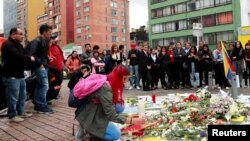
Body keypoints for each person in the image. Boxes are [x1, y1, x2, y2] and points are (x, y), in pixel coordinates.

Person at [74, 65, 146, 140]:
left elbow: (112, 102)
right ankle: (88, 130)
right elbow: (111, 114)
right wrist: (132, 121)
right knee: (115, 135)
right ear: (118, 76)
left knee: (119, 106)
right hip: (90, 114)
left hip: (97, 108)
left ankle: (91, 127)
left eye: (127, 79)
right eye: (124, 78)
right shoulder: (106, 88)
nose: (125, 81)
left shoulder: (111, 79)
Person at [1, 27, 35, 122]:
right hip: (11, 75)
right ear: (13, 34)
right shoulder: (7, 44)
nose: (22, 36)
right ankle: (12, 115)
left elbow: (25, 54)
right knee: (13, 96)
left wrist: (30, 57)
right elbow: (18, 55)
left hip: (20, 74)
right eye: (20, 34)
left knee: (22, 95)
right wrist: (29, 58)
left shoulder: (19, 45)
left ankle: (21, 112)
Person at [29, 24, 53, 113]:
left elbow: (42, 54)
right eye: (49, 32)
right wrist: (39, 64)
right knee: (44, 85)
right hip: (40, 66)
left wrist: (47, 58)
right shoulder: (37, 40)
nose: (51, 34)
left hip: (43, 65)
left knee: (39, 85)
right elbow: (33, 54)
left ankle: (38, 105)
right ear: (44, 32)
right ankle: (42, 106)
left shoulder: (44, 41)